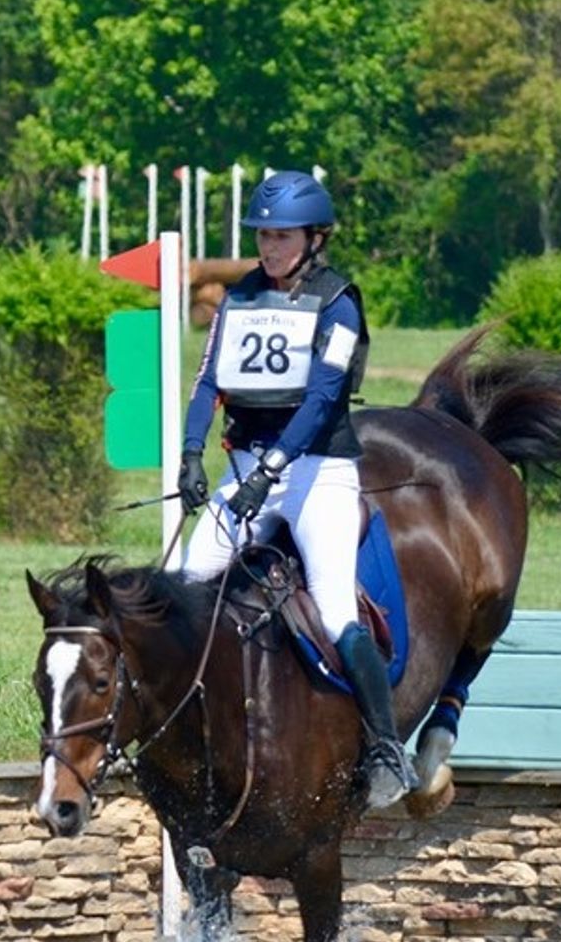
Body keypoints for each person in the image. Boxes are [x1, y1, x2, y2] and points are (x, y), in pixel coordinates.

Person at [177, 170, 419, 807]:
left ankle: (387, 748)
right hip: (247, 470)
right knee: (180, 584)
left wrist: (271, 470)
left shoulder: (339, 301)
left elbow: (322, 399)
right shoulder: (239, 299)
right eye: (261, 236)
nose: (269, 247)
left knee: (336, 610)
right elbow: (209, 384)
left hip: (317, 474)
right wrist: (191, 452)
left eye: (281, 236)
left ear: (315, 237)